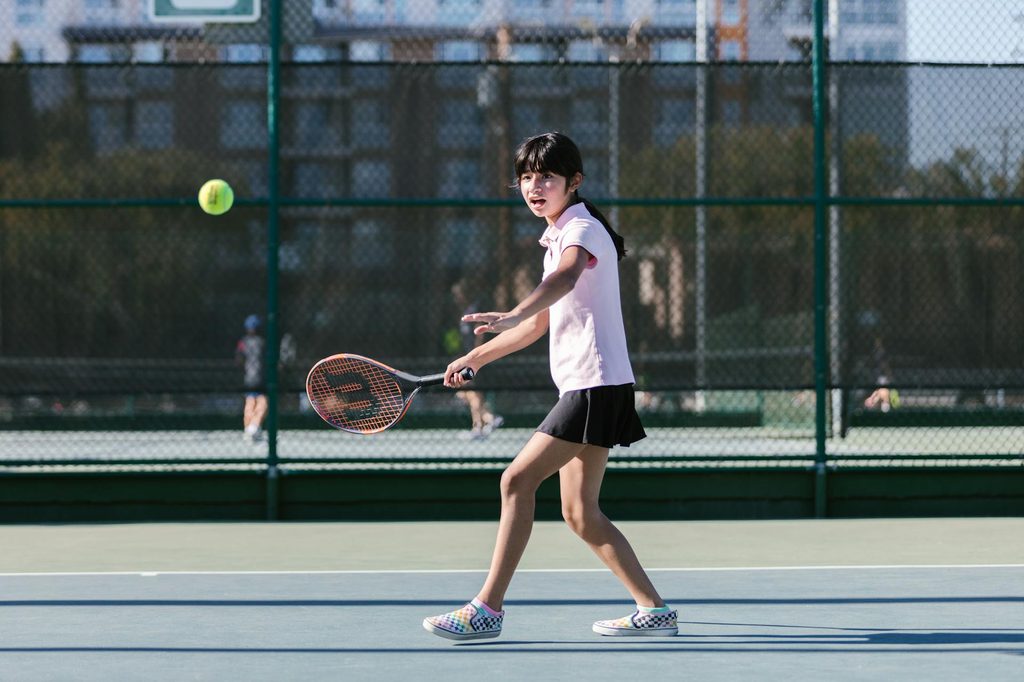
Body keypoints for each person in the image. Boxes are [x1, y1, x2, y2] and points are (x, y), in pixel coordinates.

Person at [423, 132, 676, 641]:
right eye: (526, 178)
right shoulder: (559, 234)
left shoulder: (580, 229)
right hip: (597, 386)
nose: (534, 186)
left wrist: (515, 308)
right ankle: (654, 609)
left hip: (594, 386)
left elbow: (561, 280)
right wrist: (476, 357)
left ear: (573, 182)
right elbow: (538, 325)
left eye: (547, 177)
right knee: (581, 514)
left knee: (516, 481)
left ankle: (486, 609)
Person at [450, 278, 504, 440]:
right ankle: (488, 419)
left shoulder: (476, 310)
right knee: (469, 393)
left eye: (458, 294)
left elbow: (480, 335)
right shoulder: (464, 311)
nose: (456, 297)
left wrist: (475, 357)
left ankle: (479, 426)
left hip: (477, 360)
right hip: (469, 359)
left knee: (472, 393)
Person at [236, 314, 267, 443]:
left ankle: (248, 430)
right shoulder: (263, 342)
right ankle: (254, 427)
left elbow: (239, 360)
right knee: (263, 403)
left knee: (249, 402)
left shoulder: (243, 342)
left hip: (249, 377)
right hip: (260, 377)